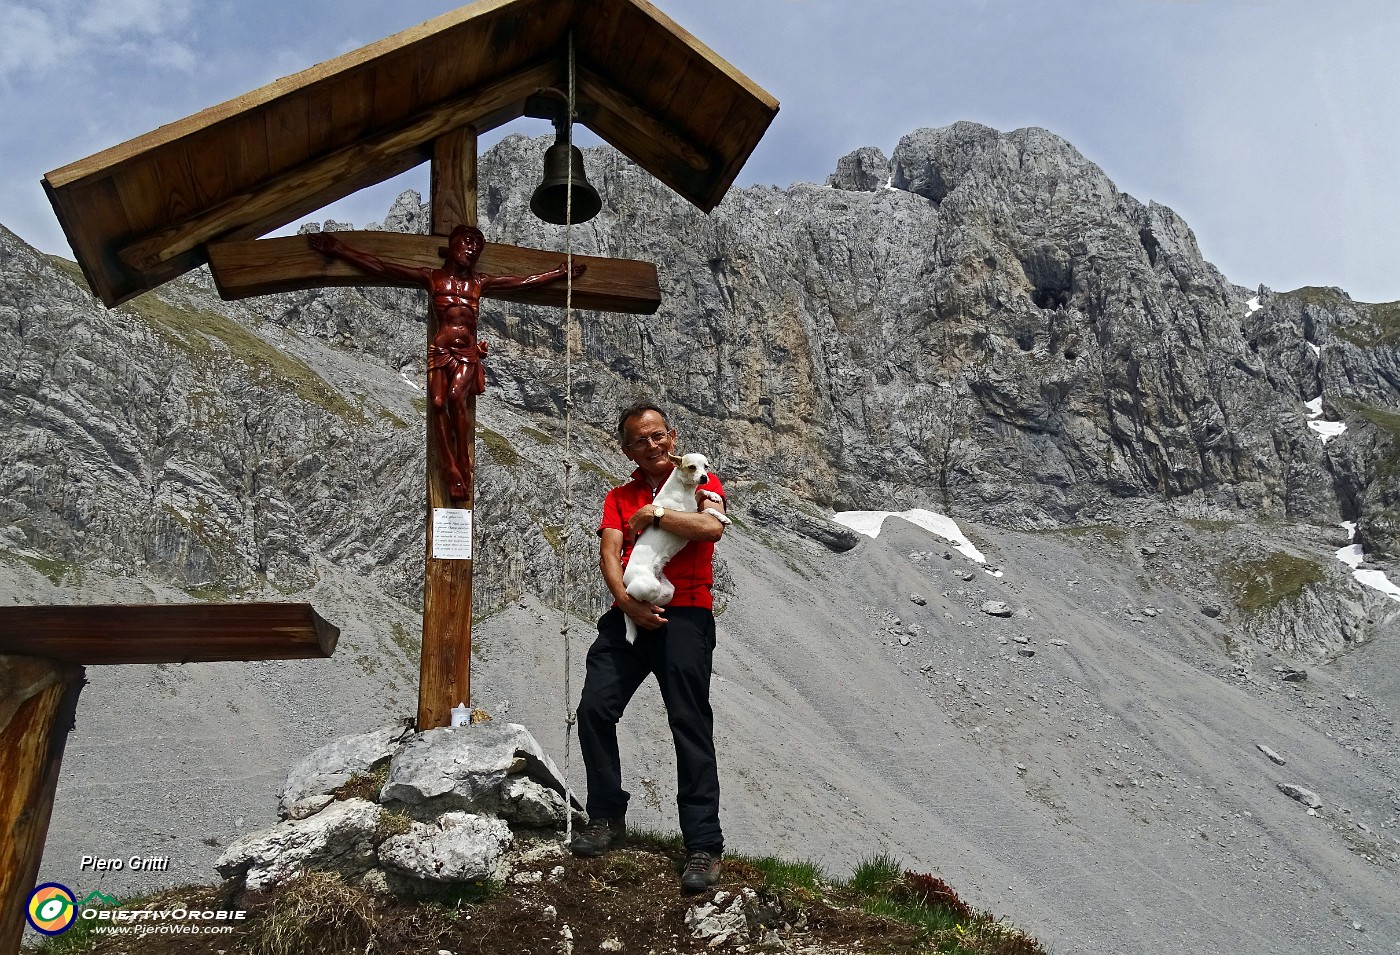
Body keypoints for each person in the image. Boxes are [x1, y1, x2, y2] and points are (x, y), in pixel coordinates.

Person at [572, 401, 729, 893]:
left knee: (688, 721)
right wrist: (626, 603)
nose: (652, 445)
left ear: (673, 436)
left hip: (687, 614)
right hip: (630, 611)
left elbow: (712, 528)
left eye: (658, 435)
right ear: (626, 449)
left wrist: (656, 513)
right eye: (640, 440)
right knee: (595, 708)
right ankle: (606, 817)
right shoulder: (618, 495)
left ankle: (703, 845)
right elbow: (609, 551)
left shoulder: (702, 478)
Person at [308, 225, 584, 499]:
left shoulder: (479, 283)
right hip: (440, 349)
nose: (472, 249)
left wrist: (559, 273)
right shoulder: (432, 278)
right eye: (467, 242)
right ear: (451, 245)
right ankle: (449, 465)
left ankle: (463, 460)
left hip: (466, 352)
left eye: (477, 246)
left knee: (455, 397)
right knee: (438, 403)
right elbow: (381, 266)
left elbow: (521, 282)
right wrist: (340, 250)